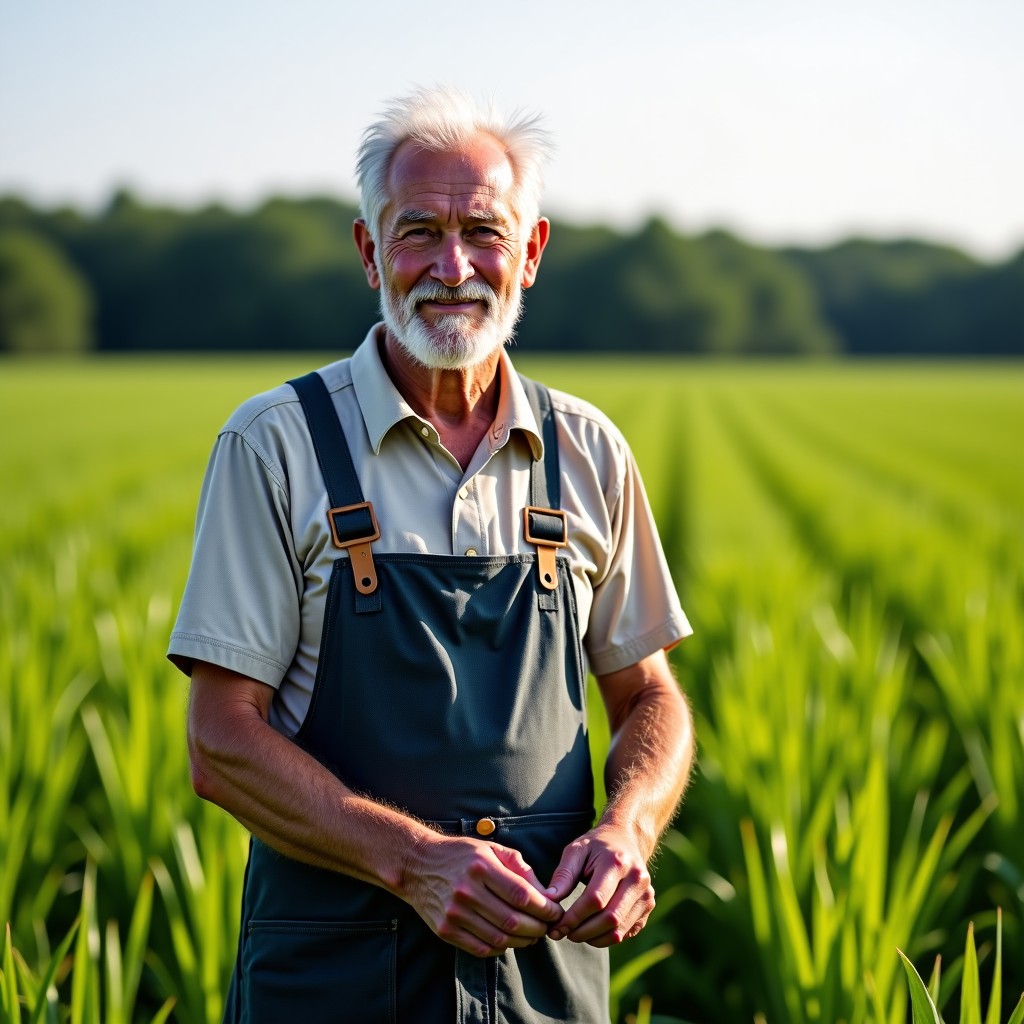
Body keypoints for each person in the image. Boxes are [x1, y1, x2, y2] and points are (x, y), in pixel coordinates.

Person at [170, 85, 694, 1024]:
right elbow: (221, 740)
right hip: (330, 986)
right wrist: (413, 862)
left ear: (529, 254)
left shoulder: (590, 452)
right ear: (371, 252)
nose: (453, 267)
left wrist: (629, 832)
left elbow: (649, 693)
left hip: (543, 984)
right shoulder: (275, 445)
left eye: (484, 232)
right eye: (418, 231)